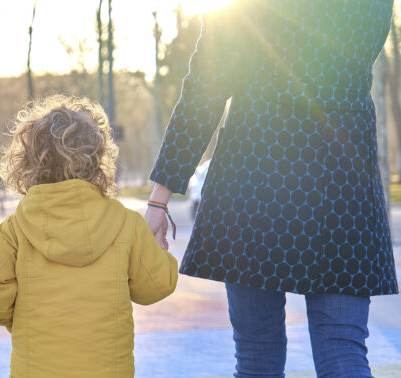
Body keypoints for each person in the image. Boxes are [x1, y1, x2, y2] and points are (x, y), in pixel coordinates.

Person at [145, 0, 399, 377]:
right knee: (343, 350)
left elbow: (200, 99)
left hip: (252, 194)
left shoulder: (239, 14)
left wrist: (158, 201)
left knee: (256, 357)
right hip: (342, 192)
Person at [0, 95, 178, 377]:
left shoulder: (15, 231)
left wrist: (19, 318)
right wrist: (158, 249)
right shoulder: (126, 224)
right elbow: (155, 286)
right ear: (98, 160)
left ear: (28, 163)